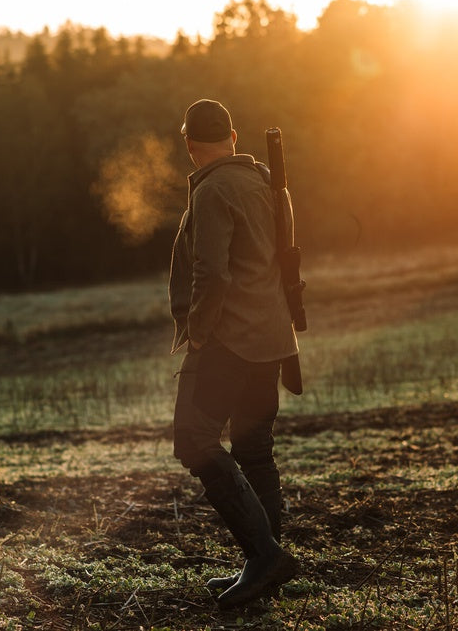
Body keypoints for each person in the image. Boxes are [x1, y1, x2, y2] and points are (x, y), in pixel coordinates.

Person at [169, 98, 299, 609]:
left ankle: (265, 557)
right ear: (233, 138)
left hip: (229, 340)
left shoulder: (213, 188)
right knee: (252, 447)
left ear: (189, 144)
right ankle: (264, 564)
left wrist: (199, 335)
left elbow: (212, 272)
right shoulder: (266, 178)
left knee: (194, 441)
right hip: (271, 338)